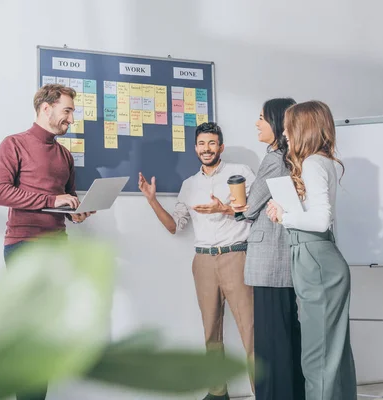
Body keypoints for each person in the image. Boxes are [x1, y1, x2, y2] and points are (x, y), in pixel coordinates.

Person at [0, 83, 93, 400]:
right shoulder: (14, 144)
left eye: (72, 112)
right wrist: (52, 198)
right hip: (24, 244)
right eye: (67, 111)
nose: (71, 119)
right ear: (46, 108)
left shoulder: (64, 154)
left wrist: (75, 211)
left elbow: (68, 198)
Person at [139, 122, 256, 400]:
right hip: (203, 261)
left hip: (236, 254)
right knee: (210, 332)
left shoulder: (241, 173)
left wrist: (224, 209)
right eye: (202, 144)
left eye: (212, 143)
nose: (207, 149)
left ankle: (262, 390)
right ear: (195, 148)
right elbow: (174, 226)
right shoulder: (189, 185)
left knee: (250, 330)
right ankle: (218, 393)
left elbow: (256, 212)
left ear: (221, 147)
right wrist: (153, 201)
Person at [266, 100, 357, 400]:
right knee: (331, 355)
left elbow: (320, 219)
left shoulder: (315, 163)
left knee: (317, 358)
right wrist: (285, 209)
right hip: (315, 257)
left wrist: (284, 216)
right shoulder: (320, 161)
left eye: (289, 127)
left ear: (303, 128)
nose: (285, 134)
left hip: (316, 260)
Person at [231, 98, 306, 400]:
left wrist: (238, 204)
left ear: (276, 123)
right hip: (282, 259)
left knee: (271, 338)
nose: (256, 123)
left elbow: (250, 209)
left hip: (270, 261)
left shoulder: (274, 160)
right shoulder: (292, 157)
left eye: (261, 118)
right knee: (285, 334)